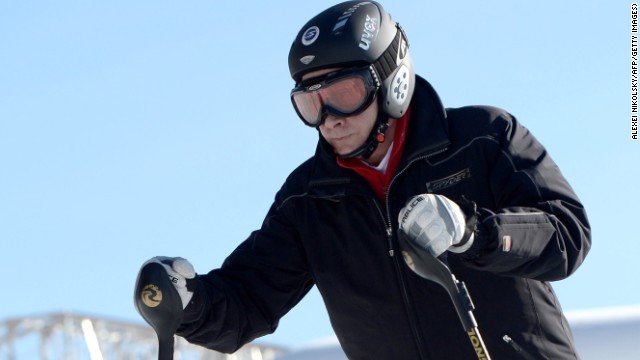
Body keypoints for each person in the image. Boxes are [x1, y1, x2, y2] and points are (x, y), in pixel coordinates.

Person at [137, 1, 591, 359]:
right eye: (311, 104)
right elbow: (244, 306)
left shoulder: (481, 139)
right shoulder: (309, 199)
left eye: (343, 95)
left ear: (391, 82)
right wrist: (188, 304)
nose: (329, 119)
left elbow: (567, 233)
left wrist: (473, 233)